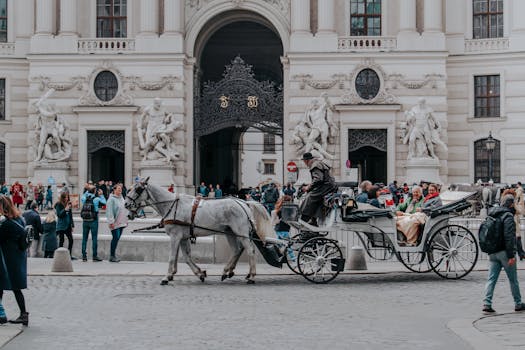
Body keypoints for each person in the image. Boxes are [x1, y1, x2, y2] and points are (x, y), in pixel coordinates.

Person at [483, 194, 525, 313]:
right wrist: (511, 255)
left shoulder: (492, 213)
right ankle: (518, 303)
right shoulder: (508, 216)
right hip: (504, 253)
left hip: (492, 252)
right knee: (513, 280)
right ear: (511, 204)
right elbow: (509, 237)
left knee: (491, 279)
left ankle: (487, 303)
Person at [0, 195, 29, 326]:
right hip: (19, 256)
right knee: (15, 287)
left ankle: (3, 314)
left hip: (9, 258)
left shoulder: (7, 223)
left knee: (5, 285)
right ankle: (23, 314)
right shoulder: (19, 218)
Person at [299, 152, 338, 226]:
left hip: (326, 187)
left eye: (304, 161)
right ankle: (313, 220)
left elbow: (318, 179)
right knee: (316, 199)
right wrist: (309, 186)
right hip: (328, 186)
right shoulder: (318, 163)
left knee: (310, 197)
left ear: (306, 160)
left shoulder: (315, 165)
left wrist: (308, 187)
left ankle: (304, 219)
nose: (304, 163)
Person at [80, 186, 107, 262]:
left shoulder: (84, 198)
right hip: (93, 220)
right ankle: (94, 256)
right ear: (95, 191)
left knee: (84, 238)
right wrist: (101, 195)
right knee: (94, 238)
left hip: (85, 220)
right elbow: (104, 203)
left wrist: (87, 190)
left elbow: (83, 196)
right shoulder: (96, 199)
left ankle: (84, 256)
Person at [106, 184, 128, 263]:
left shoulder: (122, 198)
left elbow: (124, 209)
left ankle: (113, 255)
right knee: (115, 238)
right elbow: (109, 211)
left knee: (117, 238)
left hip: (121, 222)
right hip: (114, 223)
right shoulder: (111, 199)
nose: (120, 190)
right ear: (114, 190)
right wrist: (111, 222)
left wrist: (126, 220)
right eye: (118, 189)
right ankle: (112, 256)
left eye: (121, 189)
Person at [271, 195, 295, 262]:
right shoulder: (286, 209)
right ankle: (293, 259)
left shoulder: (279, 208)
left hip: (278, 229)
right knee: (287, 245)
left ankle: (279, 257)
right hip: (284, 229)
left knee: (279, 244)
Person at [55, 192, 75, 259]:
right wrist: (65, 209)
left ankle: (69, 255)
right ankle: (60, 256)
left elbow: (70, 215)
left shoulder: (68, 204)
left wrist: (72, 225)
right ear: (62, 198)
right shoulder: (59, 204)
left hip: (68, 225)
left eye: (67, 197)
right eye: (65, 197)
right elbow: (59, 215)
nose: (67, 198)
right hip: (61, 225)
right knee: (61, 240)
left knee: (71, 240)